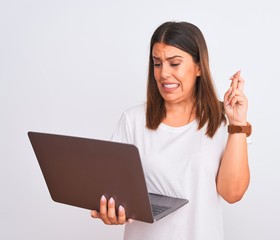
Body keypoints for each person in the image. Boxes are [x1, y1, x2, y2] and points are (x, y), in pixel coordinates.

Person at [90, 21, 251, 240]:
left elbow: (232, 193)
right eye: (157, 63)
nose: (163, 73)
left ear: (199, 67)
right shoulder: (133, 120)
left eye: (174, 63)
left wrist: (237, 124)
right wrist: (110, 210)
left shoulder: (223, 120)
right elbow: (110, 190)